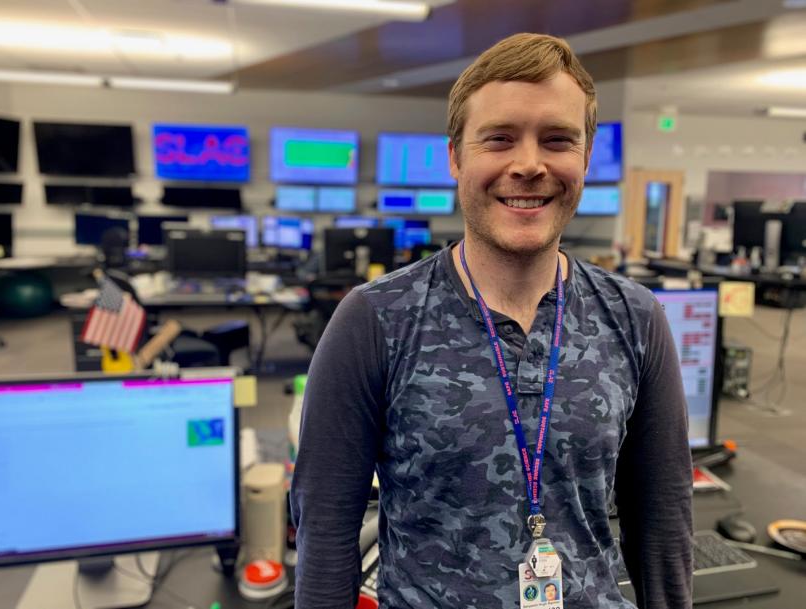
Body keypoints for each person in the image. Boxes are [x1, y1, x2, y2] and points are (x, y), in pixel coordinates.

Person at [291, 32, 692, 609]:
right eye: (499, 139)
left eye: (557, 140)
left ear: (584, 155)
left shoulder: (636, 317)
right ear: (456, 156)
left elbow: (664, 522)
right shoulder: (375, 319)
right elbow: (326, 530)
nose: (529, 165)